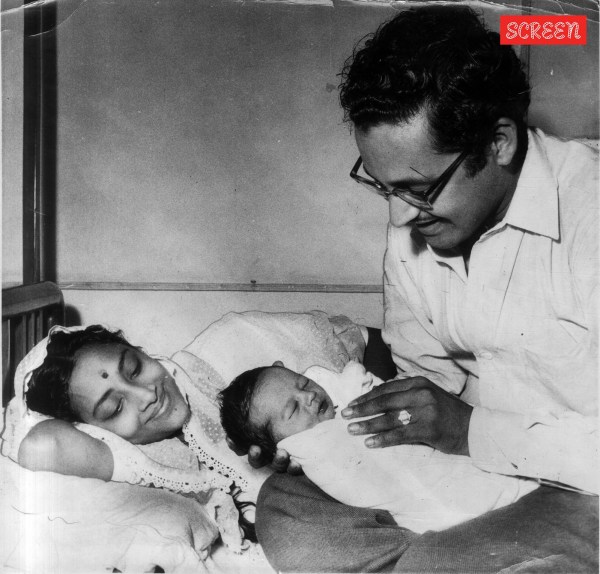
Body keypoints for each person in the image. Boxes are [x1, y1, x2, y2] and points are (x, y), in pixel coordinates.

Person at [254, 5, 598, 572]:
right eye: (381, 186)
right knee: (285, 502)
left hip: (580, 486)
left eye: (416, 189)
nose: (397, 219)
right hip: (475, 470)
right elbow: (430, 380)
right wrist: (345, 438)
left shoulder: (590, 218)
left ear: (499, 143)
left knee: (428, 564)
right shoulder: (420, 229)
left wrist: (468, 431)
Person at [220, 361, 538, 533]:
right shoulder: (313, 447)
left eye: (303, 384)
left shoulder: (343, 404)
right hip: (448, 515)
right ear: (279, 445)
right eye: (292, 410)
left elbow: (353, 383)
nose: (309, 397)